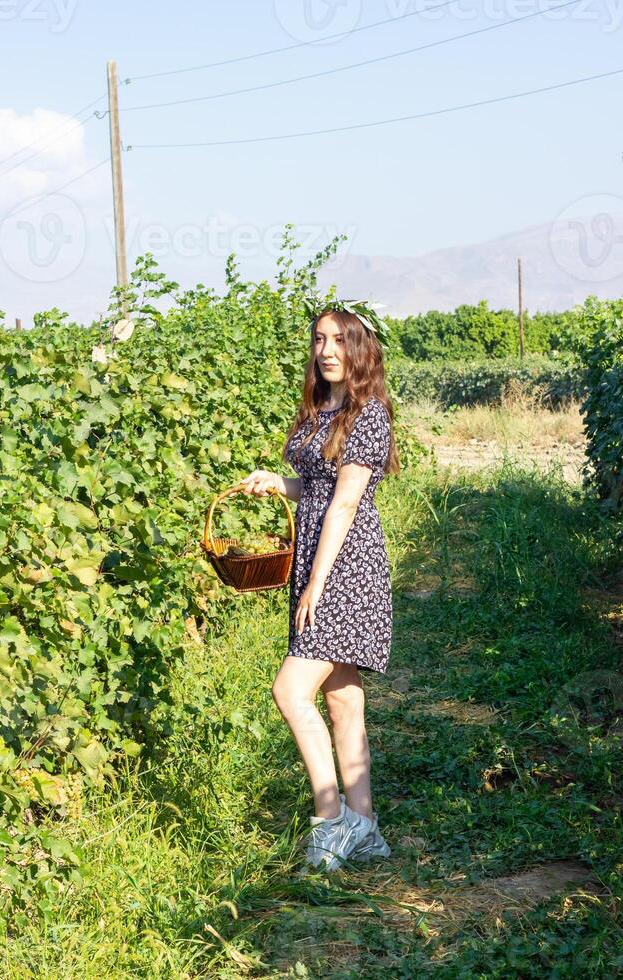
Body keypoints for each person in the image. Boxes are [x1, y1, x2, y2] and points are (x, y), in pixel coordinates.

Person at [240, 300, 400, 872]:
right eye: (319, 339)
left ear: (361, 348)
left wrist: (315, 583)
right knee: (342, 698)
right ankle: (368, 827)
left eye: (339, 340)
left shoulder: (368, 414)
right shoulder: (321, 408)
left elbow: (346, 501)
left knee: (290, 692)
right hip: (321, 562)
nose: (326, 351)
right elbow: (315, 485)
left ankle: (331, 821)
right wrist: (276, 482)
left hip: (343, 570)